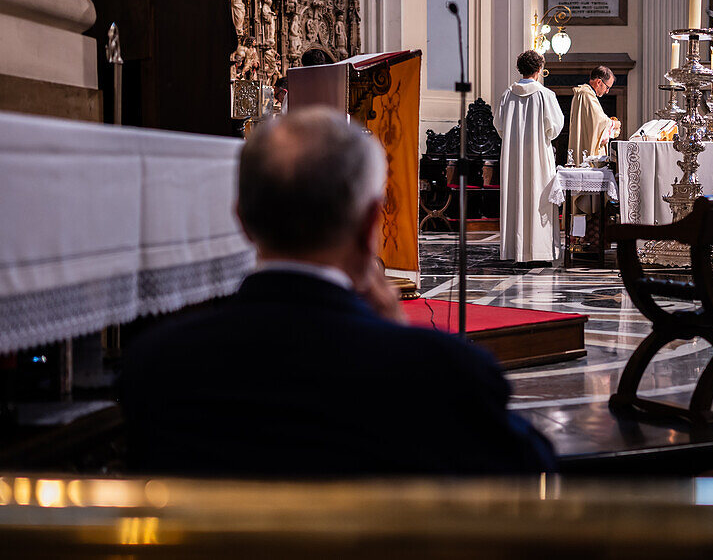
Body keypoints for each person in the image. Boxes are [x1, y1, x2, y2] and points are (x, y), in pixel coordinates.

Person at [121, 108, 554, 477]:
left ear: (243, 221)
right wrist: (395, 331)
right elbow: (535, 474)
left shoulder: (154, 365)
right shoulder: (444, 371)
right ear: (370, 224)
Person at [495, 50, 565, 263]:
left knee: (516, 197)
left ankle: (516, 251)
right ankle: (539, 251)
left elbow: (498, 125)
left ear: (520, 69)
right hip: (538, 158)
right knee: (538, 199)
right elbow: (554, 128)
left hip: (513, 157)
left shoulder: (508, 94)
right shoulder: (545, 95)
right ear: (539, 70)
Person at [568, 66, 617, 162]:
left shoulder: (584, 93)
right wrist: (614, 124)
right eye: (607, 87)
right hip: (587, 149)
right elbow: (599, 121)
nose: (607, 91)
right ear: (599, 82)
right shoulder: (586, 94)